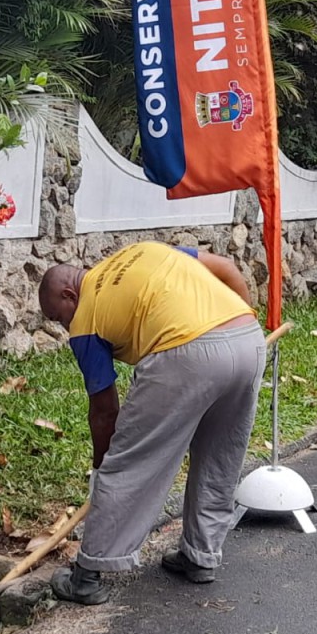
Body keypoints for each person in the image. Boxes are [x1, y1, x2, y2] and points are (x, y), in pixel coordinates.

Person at [37, 241, 266, 605]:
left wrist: (103, 470)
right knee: (220, 456)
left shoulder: (86, 320)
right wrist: (242, 324)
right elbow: (224, 266)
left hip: (186, 352)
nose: (63, 326)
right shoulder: (143, 250)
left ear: (69, 294)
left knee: (132, 461)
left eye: (57, 316)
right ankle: (200, 557)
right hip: (247, 339)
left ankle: (87, 576)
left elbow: (105, 411)